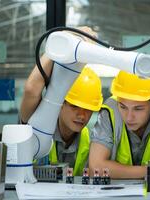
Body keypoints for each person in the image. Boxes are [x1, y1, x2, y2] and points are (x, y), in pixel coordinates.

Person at [20, 29, 103, 176]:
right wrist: (63, 41)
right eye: (74, 106)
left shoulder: (91, 141)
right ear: (61, 102)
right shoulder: (35, 124)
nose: (82, 115)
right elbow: (31, 89)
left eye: (88, 109)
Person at [89, 71, 150, 179]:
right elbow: (95, 168)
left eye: (138, 109)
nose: (129, 117)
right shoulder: (109, 111)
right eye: (123, 107)